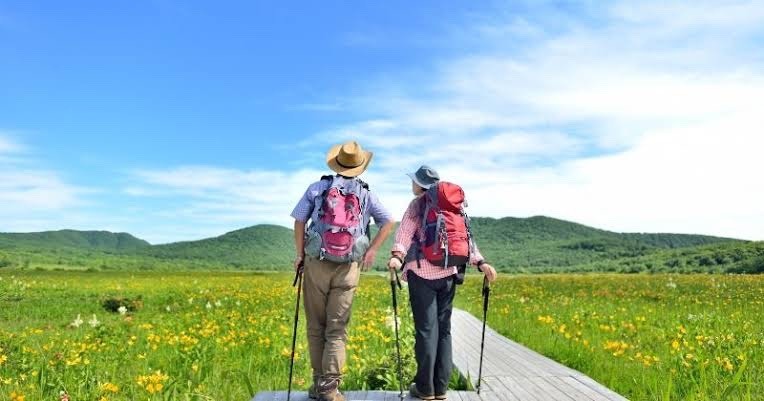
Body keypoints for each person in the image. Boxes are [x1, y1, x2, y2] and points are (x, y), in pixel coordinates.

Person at [291, 140, 396, 401]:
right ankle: (330, 390)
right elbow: (389, 221)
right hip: (350, 265)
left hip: (317, 261)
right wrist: (371, 251)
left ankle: (318, 387)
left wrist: (300, 254)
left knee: (316, 326)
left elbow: (299, 219)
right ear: (360, 167)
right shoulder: (367, 194)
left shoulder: (317, 188)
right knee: (337, 329)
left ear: (336, 163)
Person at [387, 165, 497, 401]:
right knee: (444, 331)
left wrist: (397, 256)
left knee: (426, 331)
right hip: (449, 275)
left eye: (414, 181)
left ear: (421, 185)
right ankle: (441, 388)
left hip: (422, 275)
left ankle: (425, 388)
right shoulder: (452, 207)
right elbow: (466, 238)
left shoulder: (417, 205)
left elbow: (405, 233)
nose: (412, 185)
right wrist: (481, 263)